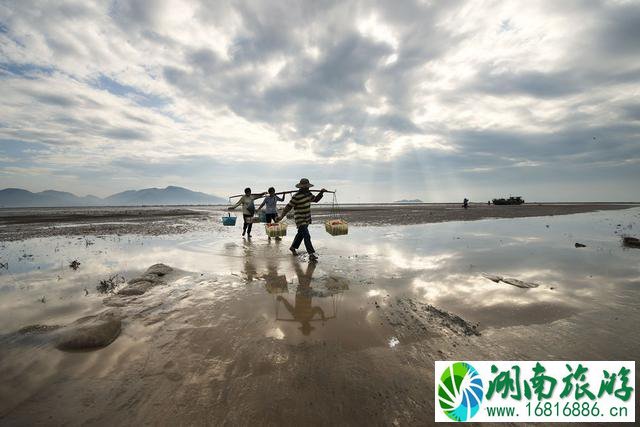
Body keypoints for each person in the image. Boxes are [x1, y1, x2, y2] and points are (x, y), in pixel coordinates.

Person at [276, 178, 326, 261]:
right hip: (300, 218)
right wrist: (281, 216)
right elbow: (288, 207)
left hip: (307, 218)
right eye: (306, 187)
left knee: (301, 234)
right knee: (306, 235)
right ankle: (311, 254)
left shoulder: (308, 194)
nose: (307, 188)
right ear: (301, 187)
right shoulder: (296, 196)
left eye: (308, 187)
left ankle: (293, 247)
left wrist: (321, 192)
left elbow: (315, 200)